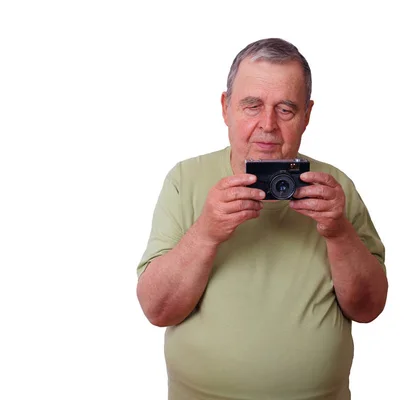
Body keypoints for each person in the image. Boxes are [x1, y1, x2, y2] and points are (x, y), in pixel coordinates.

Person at [135, 38, 388, 400]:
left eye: (285, 109)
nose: (267, 124)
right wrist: (206, 233)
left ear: (307, 115)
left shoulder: (335, 187)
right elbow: (156, 309)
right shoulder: (185, 180)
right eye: (251, 106)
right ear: (226, 108)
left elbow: (369, 309)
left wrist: (339, 233)